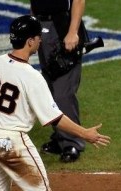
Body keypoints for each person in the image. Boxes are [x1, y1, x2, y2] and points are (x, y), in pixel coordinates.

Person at [0, 15, 110, 191]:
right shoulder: (32, 77)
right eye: (38, 37)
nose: (40, 40)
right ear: (30, 41)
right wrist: (84, 133)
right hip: (11, 143)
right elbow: (55, 118)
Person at [30, 0, 88, 163]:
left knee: (63, 92)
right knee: (49, 88)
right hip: (42, 27)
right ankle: (60, 137)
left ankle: (72, 142)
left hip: (62, 27)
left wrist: (73, 31)